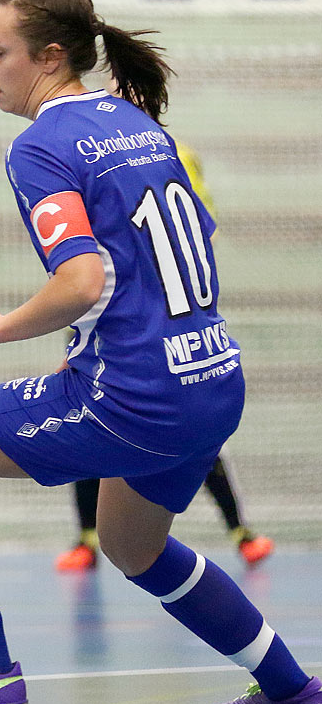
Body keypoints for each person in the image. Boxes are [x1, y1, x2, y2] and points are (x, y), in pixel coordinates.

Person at [0, 0, 320, 704]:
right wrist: (92, 342)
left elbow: (83, 278)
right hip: (210, 378)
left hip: (135, 397)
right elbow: (175, 251)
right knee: (132, 545)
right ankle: (290, 689)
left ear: (49, 57)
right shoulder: (137, 123)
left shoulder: (39, 146)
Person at [57, 142, 272, 572]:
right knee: (87, 423)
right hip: (107, 306)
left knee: (191, 433)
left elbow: (198, 227)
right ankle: (86, 540)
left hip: (167, 310)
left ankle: (240, 532)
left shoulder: (176, 154)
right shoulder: (83, 157)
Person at [57, 457, 274, 571]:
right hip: (121, 399)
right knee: (89, 446)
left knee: (206, 448)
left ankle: (242, 536)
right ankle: (87, 543)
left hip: (174, 395)